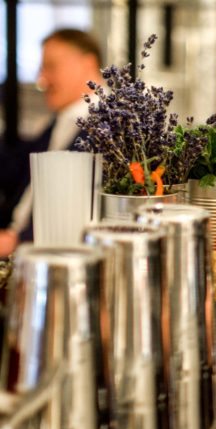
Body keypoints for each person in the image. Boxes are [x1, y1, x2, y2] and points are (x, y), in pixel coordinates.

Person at [0, 28, 103, 257]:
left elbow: (82, 213)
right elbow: (16, 168)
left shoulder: (109, 128)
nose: (41, 80)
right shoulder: (65, 118)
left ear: (88, 63)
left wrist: (16, 242)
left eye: (51, 67)